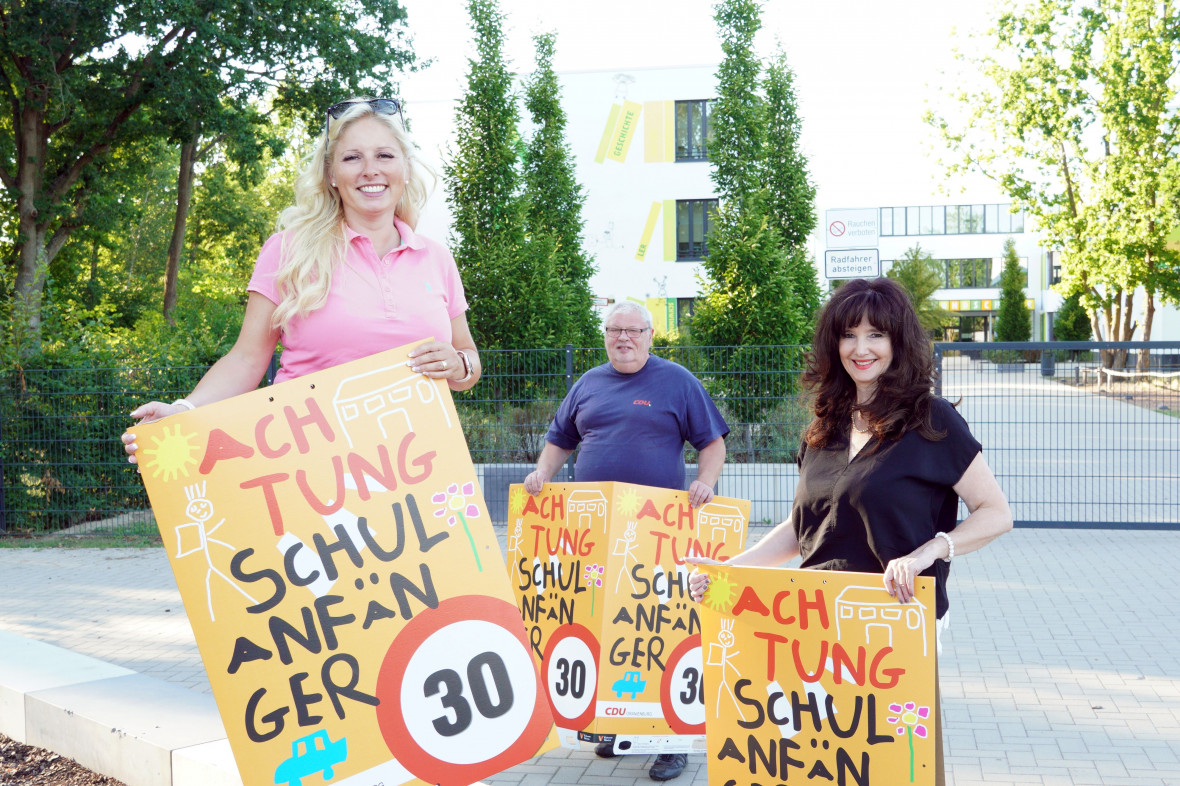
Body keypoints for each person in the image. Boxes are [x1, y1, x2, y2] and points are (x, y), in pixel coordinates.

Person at [688, 276, 1013, 785]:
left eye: (875, 335)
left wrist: (929, 552)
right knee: (823, 759)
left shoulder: (933, 420)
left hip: (891, 620)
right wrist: (727, 571)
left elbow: (996, 512)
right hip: (814, 620)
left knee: (891, 762)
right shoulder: (825, 423)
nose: (861, 349)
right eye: (849, 335)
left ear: (898, 342)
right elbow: (804, 529)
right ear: (833, 344)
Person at [122, 97, 479, 455]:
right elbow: (247, 359)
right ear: (330, 174)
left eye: (384, 156)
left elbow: (468, 357)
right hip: (313, 472)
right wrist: (184, 411)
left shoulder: (436, 258)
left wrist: (459, 364)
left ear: (405, 169)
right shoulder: (289, 251)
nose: (370, 170)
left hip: (422, 469)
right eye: (352, 157)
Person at [524, 300, 728, 782]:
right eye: (615, 330)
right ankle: (618, 727)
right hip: (597, 537)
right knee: (610, 635)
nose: (624, 339)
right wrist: (541, 473)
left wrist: (706, 482)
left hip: (661, 536)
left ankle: (672, 743)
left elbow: (713, 442)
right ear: (605, 335)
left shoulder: (677, 382)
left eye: (633, 330)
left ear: (650, 334)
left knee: (662, 635)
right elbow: (560, 439)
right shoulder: (588, 383)